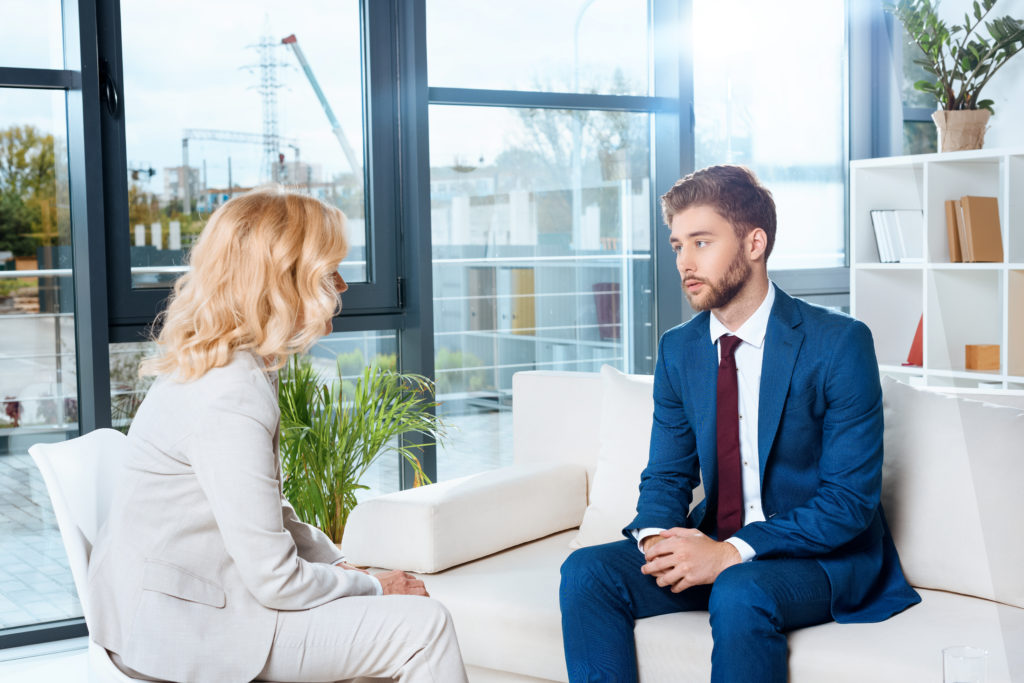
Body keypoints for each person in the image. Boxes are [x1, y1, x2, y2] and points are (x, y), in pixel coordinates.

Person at [87, 187, 468, 683]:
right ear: (285, 282)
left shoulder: (219, 362)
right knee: (424, 628)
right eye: (330, 270)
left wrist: (342, 565)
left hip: (162, 610)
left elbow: (269, 514)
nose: (344, 285)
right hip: (189, 630)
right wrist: (373, 586)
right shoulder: (230, 394)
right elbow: (275, 581)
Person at [559, 165, 920, 682]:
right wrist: (659, 539)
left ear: (755, 243)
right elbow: (666, 475)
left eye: (701, 242)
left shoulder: (839, 344)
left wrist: (731, 553)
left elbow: (848, 504)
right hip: (716, 544)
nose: (685, 261)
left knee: (740, 587)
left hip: (819, 558)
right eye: (677, 245)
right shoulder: (679, 349)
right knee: (586, 573)